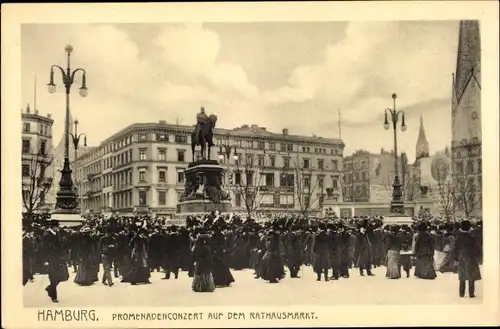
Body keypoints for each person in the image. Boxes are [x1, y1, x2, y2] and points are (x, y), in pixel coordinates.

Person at [453, 220, 481, 298]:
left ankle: (461, 293)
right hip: (471, 257)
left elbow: (455, 248)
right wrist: (478, 257)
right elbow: (477, 248)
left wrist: (455, 259)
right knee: (471, 276)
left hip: (461, 257)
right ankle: (471, 293)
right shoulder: (472, 237)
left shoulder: (458, 237)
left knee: (462, 276)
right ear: (469, 228)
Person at [43, 220, 69, 303]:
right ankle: (54, 296)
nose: (58, 227)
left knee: (64, 275)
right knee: (53, 277)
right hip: (51, 259)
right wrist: (46, 260)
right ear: (53, 227)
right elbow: (44, 248)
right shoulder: (46, 235)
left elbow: (59, 246)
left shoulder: (57, 234)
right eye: (57, 226)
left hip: (59, 259)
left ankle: (50, 288)